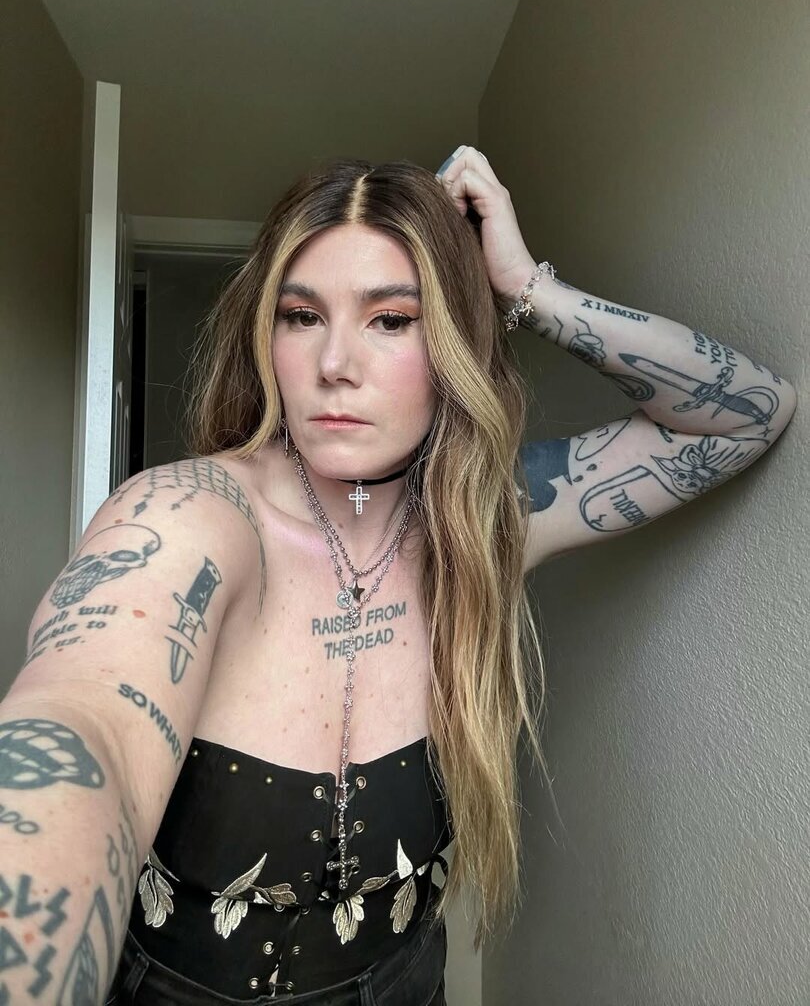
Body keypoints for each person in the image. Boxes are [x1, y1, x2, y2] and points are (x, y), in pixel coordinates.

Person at [1, 147, 796, 1005]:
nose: (335, 362)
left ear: (454, 340)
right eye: (301, 315)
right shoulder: (187, 516)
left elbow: (747, 416)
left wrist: (525, 290)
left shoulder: (484, 523)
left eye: (391, 319)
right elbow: (86, 724)